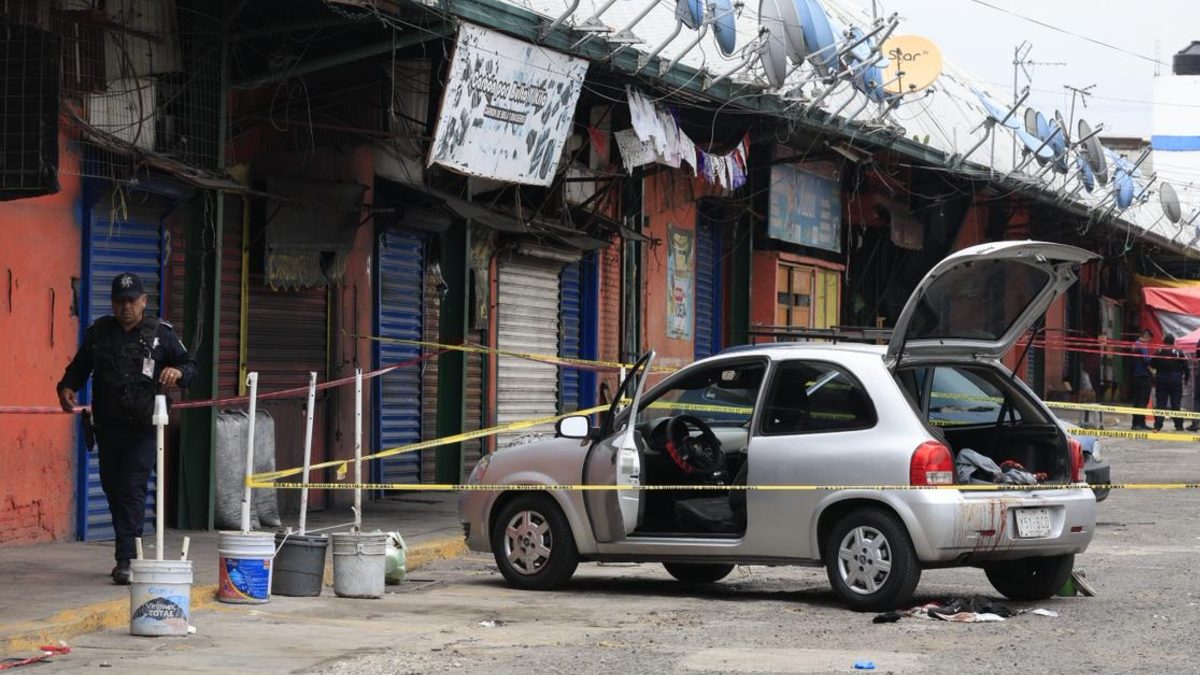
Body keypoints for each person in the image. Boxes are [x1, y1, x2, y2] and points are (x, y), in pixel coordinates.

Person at [57, 273, 197, 584]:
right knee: (113, 490)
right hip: (108, 428)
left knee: (132, 489)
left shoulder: (161, 334)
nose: (126, 307)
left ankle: (127, 560)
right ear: (112, 303)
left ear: (144, 301)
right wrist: (67, 387)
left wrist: (177, 371)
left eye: (132, 301)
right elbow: (80, 367)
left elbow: (191, 365)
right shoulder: (100, 333)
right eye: (120, 302)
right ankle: (128, 548)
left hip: (144, 429)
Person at [1152, 334, 1188, 432]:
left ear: (1164, 342)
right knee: (1176, 403)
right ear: (1173, 342)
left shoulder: (1158, 351)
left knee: (1161, 403)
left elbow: (1152, 363)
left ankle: (1157, 426)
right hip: (1175, 379)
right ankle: (1179, 425)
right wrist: (1186, 379)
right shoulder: (1178, 352)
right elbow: (1186, 366)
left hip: (1161, 378)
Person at [1131, 329, 1154, 430]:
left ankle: (1135, 423)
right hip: (1143, 376)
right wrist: (1153, 358)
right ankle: (1141, 423)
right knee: (1143, 400)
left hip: (1135, 375)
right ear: (1146, 336)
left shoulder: (1135, 344)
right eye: (1149, 338)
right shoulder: (1142, 345)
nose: (1149, 341)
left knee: (1136, 400)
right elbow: (1146, 360)